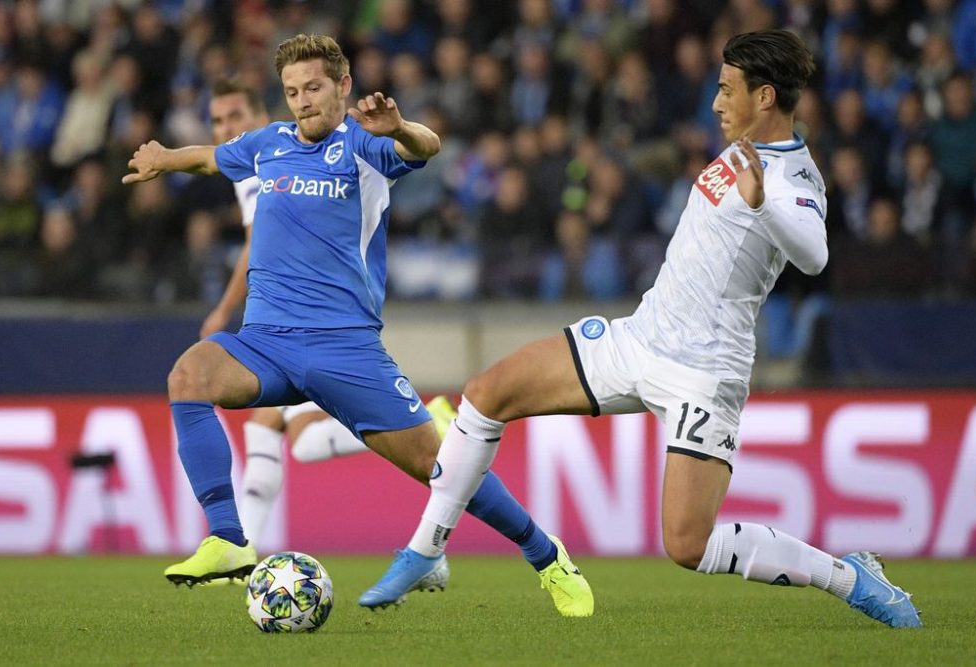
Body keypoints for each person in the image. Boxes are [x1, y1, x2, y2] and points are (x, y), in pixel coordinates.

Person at [364, 30, 922, 629]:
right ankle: (425, 549)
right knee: (486, 392)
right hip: (642, 338)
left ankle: (849, 576)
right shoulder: (739, 148)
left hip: (704, 373)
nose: (715, 101)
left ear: (765, 97)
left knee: (688, 544)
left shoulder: (795, 178)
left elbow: (814, 256)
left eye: (727, 89)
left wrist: (762, 204)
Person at [122, 34, 592, 616]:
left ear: (342, 87)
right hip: (265, 344)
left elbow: (429, 145)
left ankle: (547, 556)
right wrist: (163, 158)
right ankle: (227, 540)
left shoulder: (366, 146)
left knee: (441, 471)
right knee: (189, 375)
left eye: (313, 88)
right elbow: (211, 158)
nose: (302, 101)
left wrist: (397, 126)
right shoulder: (268, 143)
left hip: (344, 349)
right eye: (292, 91)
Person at [197, 81, 455, 585]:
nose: (226, 129)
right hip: (285, 326)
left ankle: (432, 420)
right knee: (264, 430)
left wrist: (222, 310)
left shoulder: (268, 162)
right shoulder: (263, 159)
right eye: (217, 122)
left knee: (305, 442)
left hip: (313, 328)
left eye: (234, 117)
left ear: (257, 113)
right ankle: (240, 549)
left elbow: (255, 245)